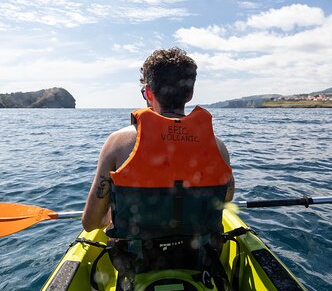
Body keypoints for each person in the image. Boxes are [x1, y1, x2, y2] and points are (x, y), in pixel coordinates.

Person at [82, 47, 235, 265]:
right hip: (199, 260)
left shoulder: (118, 144)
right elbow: (226, 197)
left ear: (148, 93)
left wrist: (110, 216)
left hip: (136, 264)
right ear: (190, 94)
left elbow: (90, 224)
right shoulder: (218, 147)